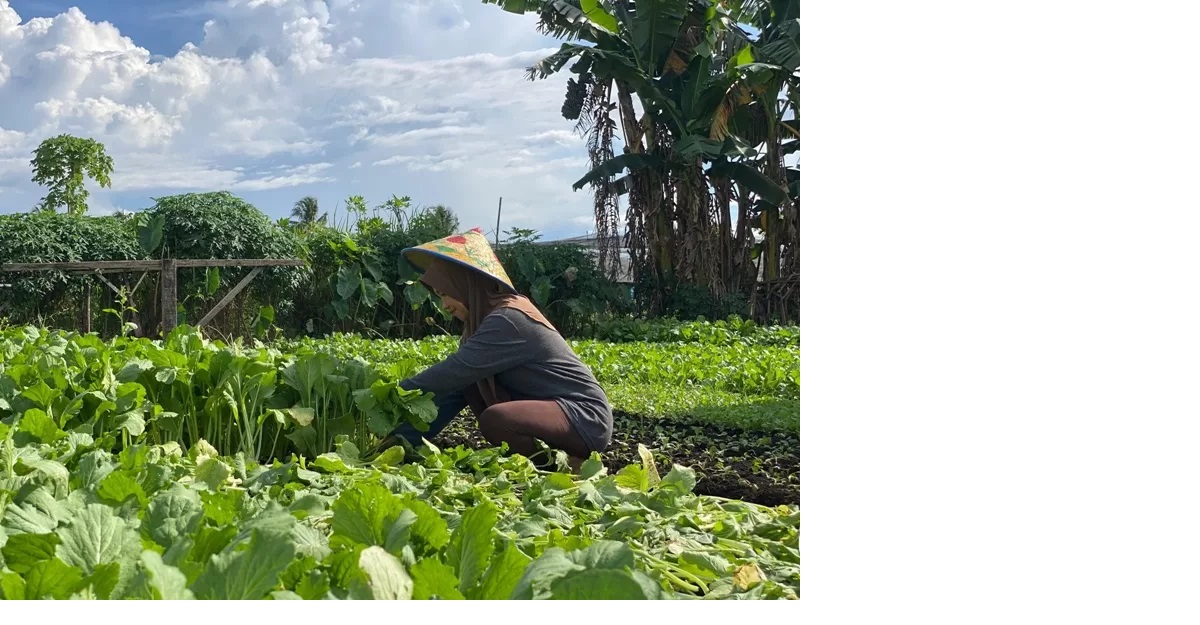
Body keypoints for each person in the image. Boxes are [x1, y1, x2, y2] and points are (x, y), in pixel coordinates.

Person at [373, 227, 613, 472]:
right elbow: (451, 392)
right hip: (554, 415)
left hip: (583, 418)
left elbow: (451, 372)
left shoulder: (509, 318)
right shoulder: (480, 326)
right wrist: (396, 443)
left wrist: (386, 396)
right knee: (469, 386)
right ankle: (550, 459)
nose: (444, 305)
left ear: (465, 285)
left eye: (445, 294)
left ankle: (564, 466)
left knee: (497, 420)